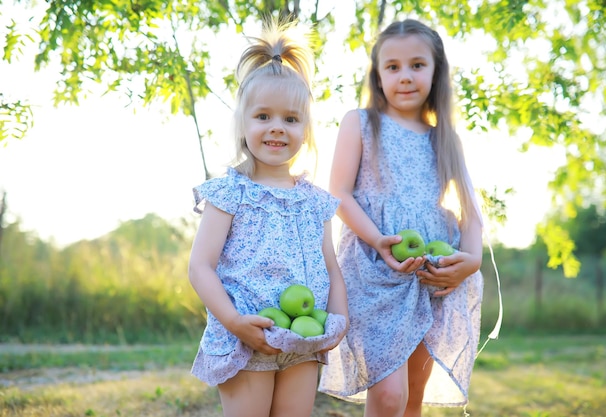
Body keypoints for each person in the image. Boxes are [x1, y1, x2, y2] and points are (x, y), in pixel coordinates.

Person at [318, 18, 485, 416]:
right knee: (389, 394)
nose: (405, 76)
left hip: (430, 274)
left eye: (417, 65)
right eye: (392, 67)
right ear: (377, 76)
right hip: (375, 271)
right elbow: (338, 194)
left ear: (436, 71)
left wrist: (471, 262)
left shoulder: (444, 137)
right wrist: (378, 239)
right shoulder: (360, 123)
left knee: (412, 394)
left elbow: (472, 214)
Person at [187, 19, 349, 417]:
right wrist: (234, 321)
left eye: (290, 120)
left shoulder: (315, 201)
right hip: (246, 337)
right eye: (263, 117)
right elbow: (200, 266)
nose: (277, 128)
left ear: (305, 129)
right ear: (243, 123)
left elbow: (331, 266)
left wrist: (339, 320)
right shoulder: (230, 192)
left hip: (304, 336)